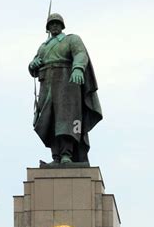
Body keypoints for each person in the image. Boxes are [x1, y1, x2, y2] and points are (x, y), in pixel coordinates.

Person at [28, 13, 102, 166]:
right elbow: (34, 66)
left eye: (57, 23)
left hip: (66, 82)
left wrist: (78, 68)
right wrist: (32, 65)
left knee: (66, 120)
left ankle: (66, 155)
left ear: (62, 26)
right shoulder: (43, 46)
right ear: (48, 28)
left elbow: (80, 54)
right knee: (50, 120)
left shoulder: (71, 39)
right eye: (51, 24)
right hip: (47, 84)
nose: (54, 26)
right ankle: (56, 157)